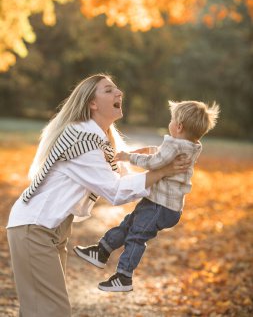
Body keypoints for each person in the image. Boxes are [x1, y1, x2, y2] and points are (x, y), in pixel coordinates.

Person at [7, 74, 190, 317]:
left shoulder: (98, 138)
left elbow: (126, 178)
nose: (119, 93)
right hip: (35, 229)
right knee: (52, 311)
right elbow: (115, 190)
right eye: (108, 90)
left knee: (39, 310)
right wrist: (165, 171)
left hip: (47, 229)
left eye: (117, 89)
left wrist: (163, 163)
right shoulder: (83, 140)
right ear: (92, 103)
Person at [74, 100, 219, 292]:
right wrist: (149, 149)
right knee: (128, 224)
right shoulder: (190, 146)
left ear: (178, 126)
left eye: (172, 119)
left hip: (160, 206)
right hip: (162, 205)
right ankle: (101, 251)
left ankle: (124, 276)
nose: (170, 123)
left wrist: (129, 157)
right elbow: (163, 155)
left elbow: (155, 163)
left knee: (136, 236)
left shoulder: (174, 146)